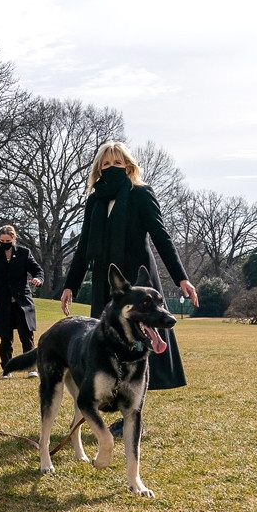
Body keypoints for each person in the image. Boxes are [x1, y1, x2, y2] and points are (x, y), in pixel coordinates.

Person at [60, 140, 199, 392]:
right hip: (106, 282)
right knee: (108, 344)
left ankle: (134, 411)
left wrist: (182, 278)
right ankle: (112, 398)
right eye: (106, 163)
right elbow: (84, 246)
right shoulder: (95, 200)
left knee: (140, 340)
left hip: (137, 281)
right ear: (99, 168)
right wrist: (71, 285)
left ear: (127, 165)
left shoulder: (141, 193)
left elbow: (161, 236)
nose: (112, 166)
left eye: (117, 162)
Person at [0, 225, 45, 378]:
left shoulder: (24, 253)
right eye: (2, 240)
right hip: (2, 303)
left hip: (23, 302)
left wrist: (38, 279)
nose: (5, 243)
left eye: (8, 240)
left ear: (14, 239)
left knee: (26, 336)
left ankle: (31, 368)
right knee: (5, 337)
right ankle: (7, 369)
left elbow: (38, 270)